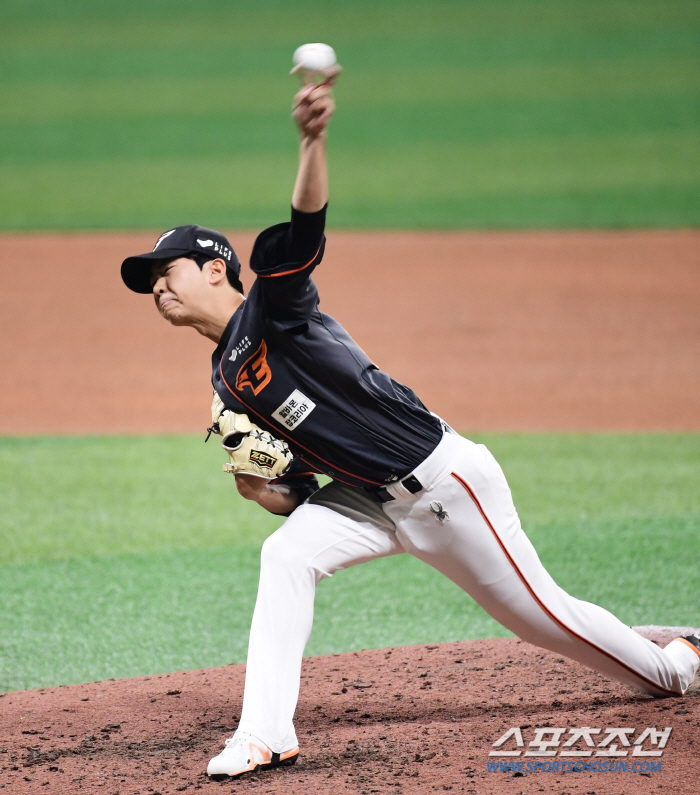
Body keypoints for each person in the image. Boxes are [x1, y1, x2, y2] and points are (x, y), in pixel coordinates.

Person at [120, 79, 700, 782]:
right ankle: (264, 734)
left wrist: (311, 140)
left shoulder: (274, 307)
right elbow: (300, 490)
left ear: (217, 269)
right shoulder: (225, 378)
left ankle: (678, 665)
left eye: (166, 270)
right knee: (286, 555)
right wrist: (260, 489)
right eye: (148, 280)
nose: (156, 285)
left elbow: (305, 231)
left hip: (443, 486)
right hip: (364, 498)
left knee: (546, 620)